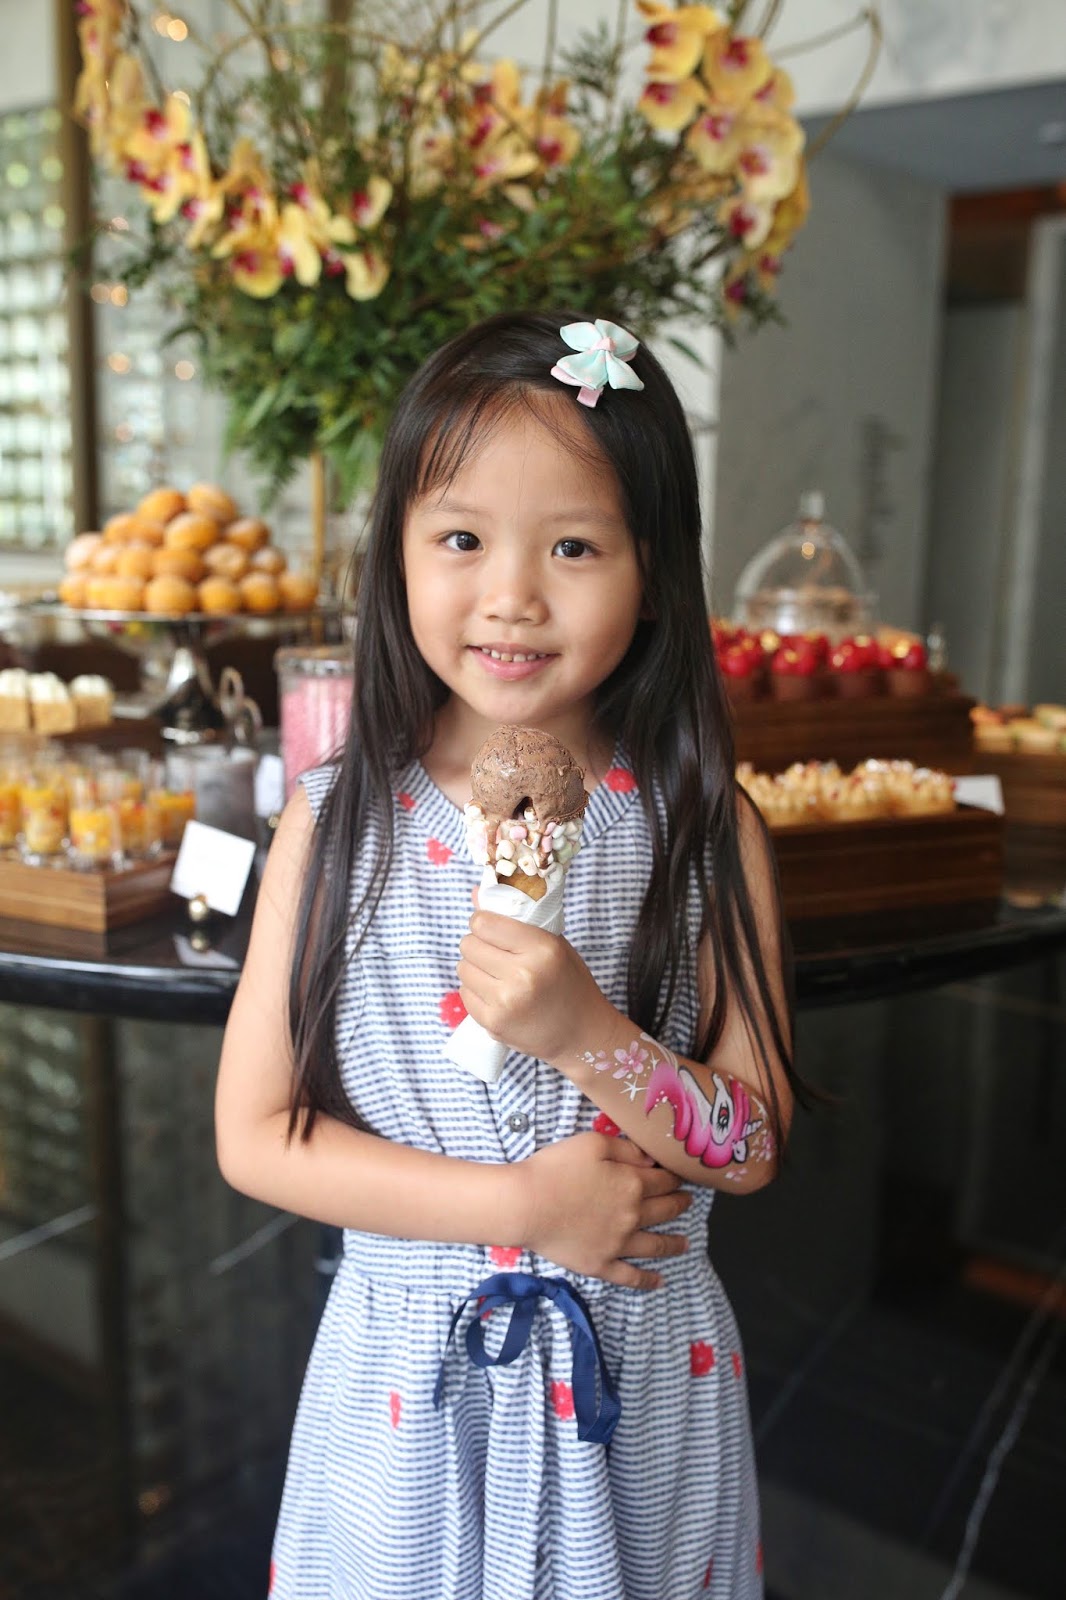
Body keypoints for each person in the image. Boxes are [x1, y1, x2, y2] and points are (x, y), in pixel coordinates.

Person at [215, 309, 799, 1600]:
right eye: (461, 539)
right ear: (396, 551)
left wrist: (589, 1036)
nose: (513, 596)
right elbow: (256, 1135)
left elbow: (751, 1143)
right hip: (408, 1386)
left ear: (655, 568)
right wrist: (521, 1210)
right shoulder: (334, 820)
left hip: (640, 1381)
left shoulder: (707, 832)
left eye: (574, 546)